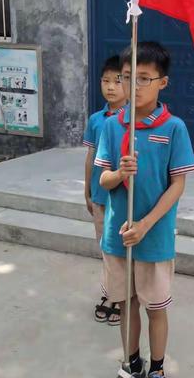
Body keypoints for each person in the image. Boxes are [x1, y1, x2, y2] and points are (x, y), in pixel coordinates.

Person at [95, 42, 194, 378]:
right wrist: (120, 174)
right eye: (127, 78)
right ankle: (131, 361)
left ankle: (157, 367)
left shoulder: (173, 128)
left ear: (162, 82)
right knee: (127, 304)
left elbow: (178, 185)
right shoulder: (112, 126)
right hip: (118, 236)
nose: (133, 87)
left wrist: (147, 223)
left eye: (144, 79)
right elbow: (105, 179)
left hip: (153, 236)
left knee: (155, 306)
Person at [83, 55, 127, 325]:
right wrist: (86, 191)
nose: (111, 87)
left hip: (123, 196)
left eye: (118, 81)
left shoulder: (132, 118)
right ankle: (110, 293)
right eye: (106, 81)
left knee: (122, 248)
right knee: (106, 247)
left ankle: (124, 297)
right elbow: (90, 156)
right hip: (100, 196)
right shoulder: (97, 119)